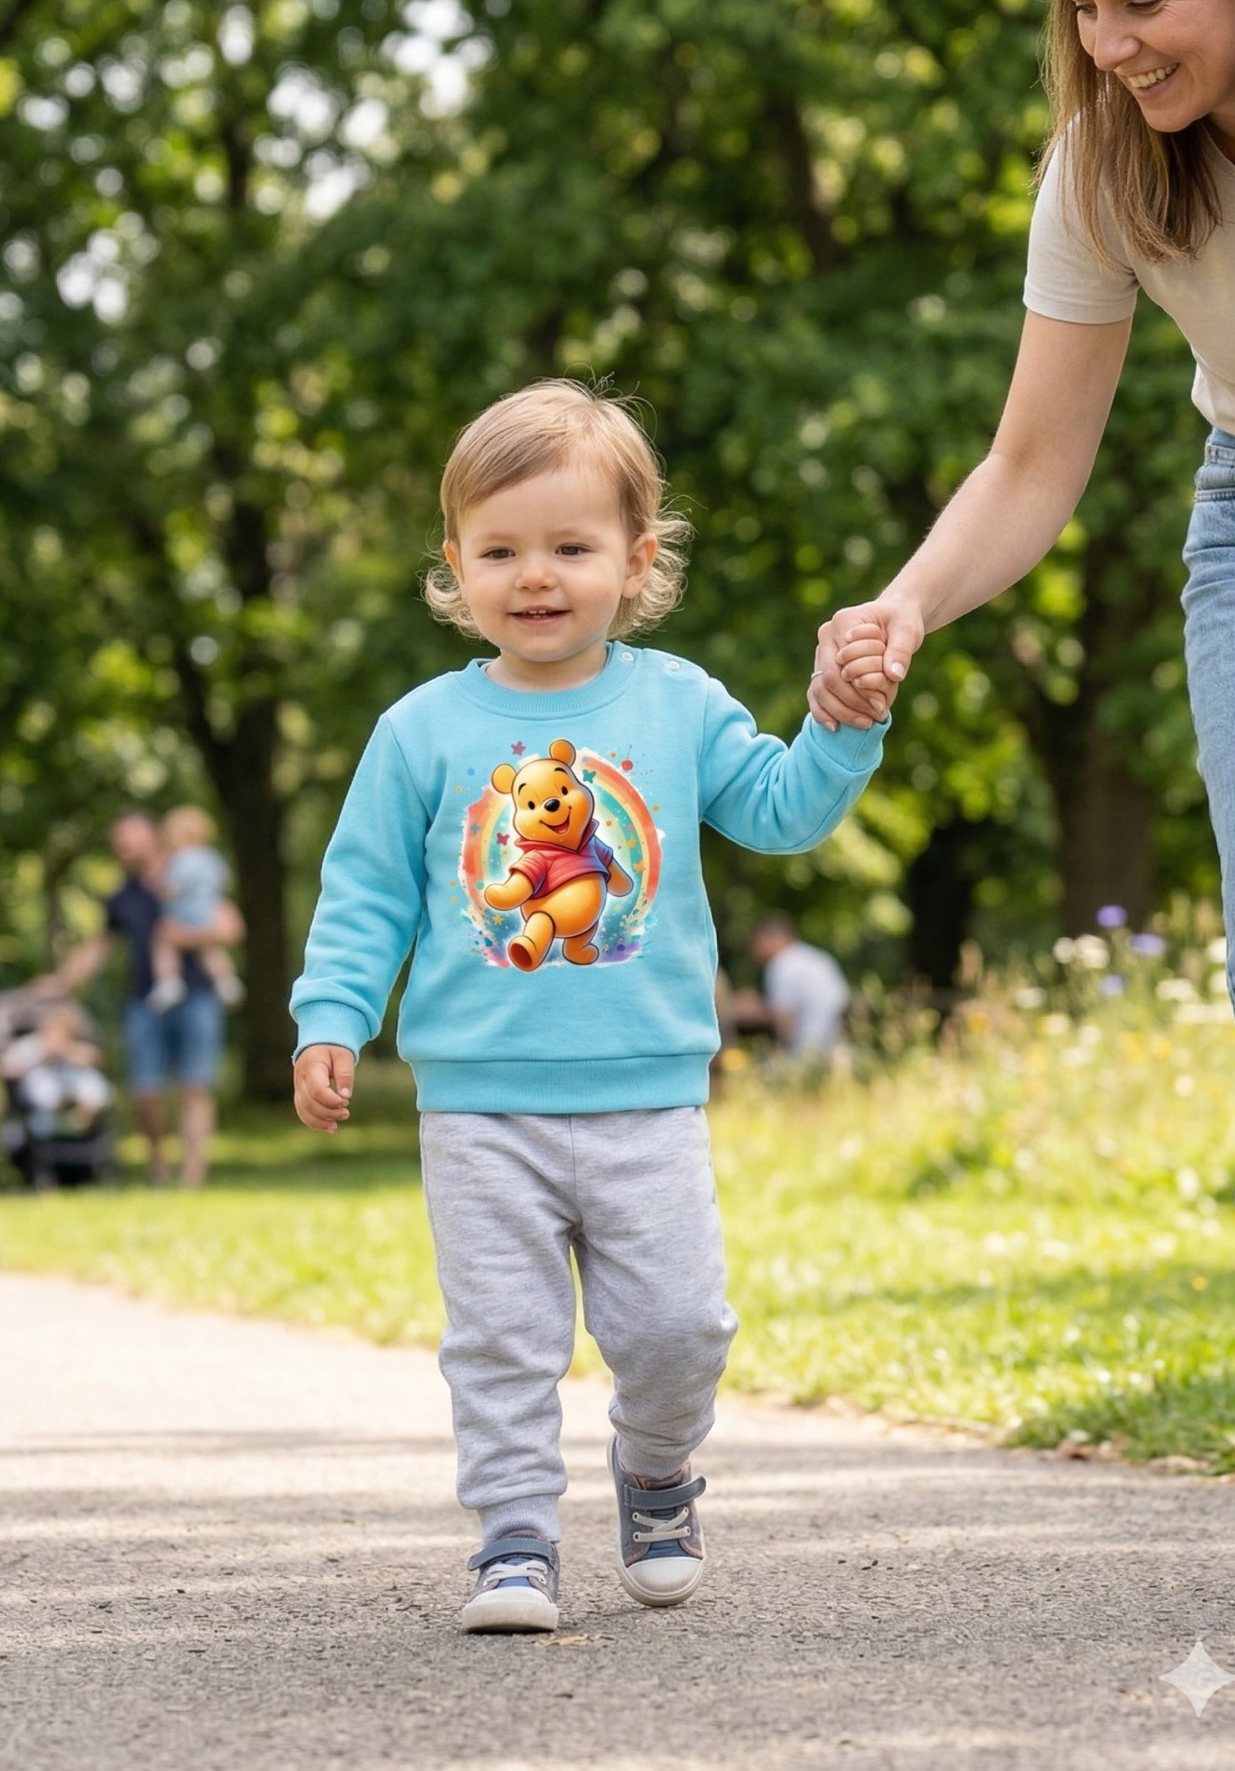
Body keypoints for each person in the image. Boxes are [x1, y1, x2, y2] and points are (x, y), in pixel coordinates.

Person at [808, 0, 1235, 1611]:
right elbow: (1032, 459)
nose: (1110, 45)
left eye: (1142, 1)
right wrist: (909, 607)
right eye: (1083, 9)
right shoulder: (1103, 166)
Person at [291, 380, 891, 1634]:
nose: (536, 576)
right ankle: (512, 1543)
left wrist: (838, 729)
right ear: (453, 564)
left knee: (678, 1328)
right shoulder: (421, 730)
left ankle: (657, 1469)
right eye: (499, 550)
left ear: (636, 558)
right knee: (503, 1343)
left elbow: (781, 809)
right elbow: (362, 898)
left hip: (648, 1098)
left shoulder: (673, 703)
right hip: (479, 1109)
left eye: (570, 546)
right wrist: (329, 1019)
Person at [49, 811, 243, 1186]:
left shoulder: (188, 873)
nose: (124, 846)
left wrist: (183, 937)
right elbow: (97, 947)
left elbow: (231, 927)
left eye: (131, 837)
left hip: (197, 996)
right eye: (118, 841)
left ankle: (193, 1174)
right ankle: (157, 1161)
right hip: (144, 1002)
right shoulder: (123, 897)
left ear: (153, 836)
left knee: (195, 1087)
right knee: (145, 1092)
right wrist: (59, 982)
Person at [148, 805, 244, 1013]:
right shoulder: (211, 857)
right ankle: (227, 981)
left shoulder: (181, 860)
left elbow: (173, 888)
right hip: (207, 910)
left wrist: (159, 885)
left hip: (183, 912)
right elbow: (225, 880)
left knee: (164, 944)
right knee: (210, 950)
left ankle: (169, 982)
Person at [0, 1002, 112, 1139]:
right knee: (40, 1083)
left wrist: (69, 1052)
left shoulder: (72, 1048)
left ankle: (81, 1117)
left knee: (91, 1079)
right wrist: (40, 1056)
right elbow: (4, 1066)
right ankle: (61, 1120)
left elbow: (95, 1058)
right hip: (40, 1099)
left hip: (69, 1091)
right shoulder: (31, 1046)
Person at [751, 912, 850, 1062]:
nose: (755, 951)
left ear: (770, 939)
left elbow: (784, 1022)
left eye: (757, 943)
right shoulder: (819, 958)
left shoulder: (781, 965)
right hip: (838, 1048)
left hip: (807, 1052)